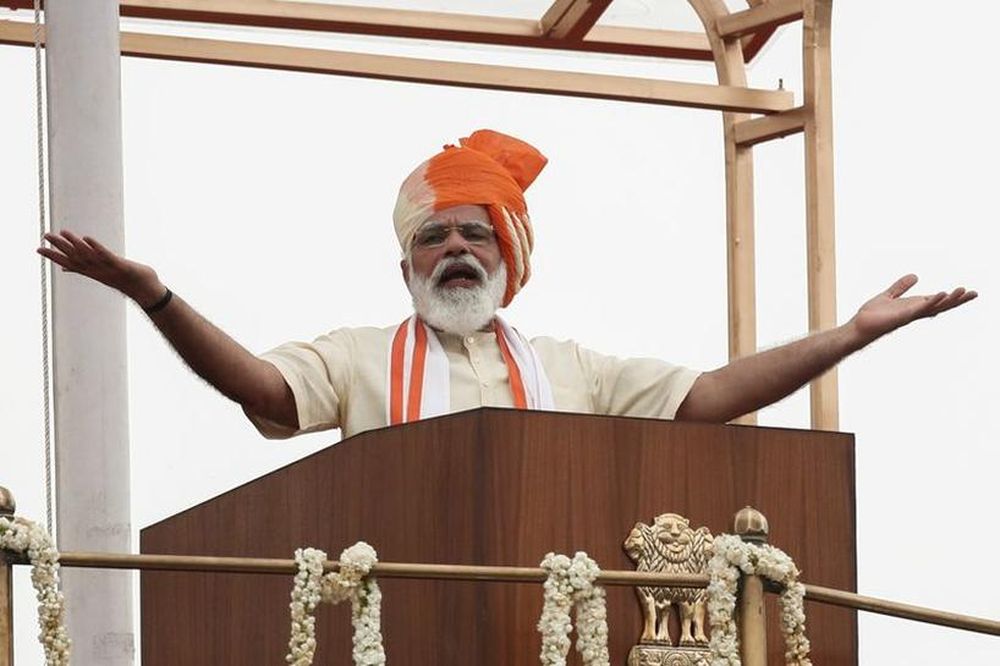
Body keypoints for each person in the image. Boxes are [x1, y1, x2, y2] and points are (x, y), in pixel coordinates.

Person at [37, 129, 976, 439]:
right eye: (433, 237)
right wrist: (154, 297)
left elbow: (714, 394)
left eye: (474, 235)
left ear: (509, 258)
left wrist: (851, 335)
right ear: (404, 263)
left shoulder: (572, 370)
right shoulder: (357, 359)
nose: (454, 250)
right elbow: (260, 387)